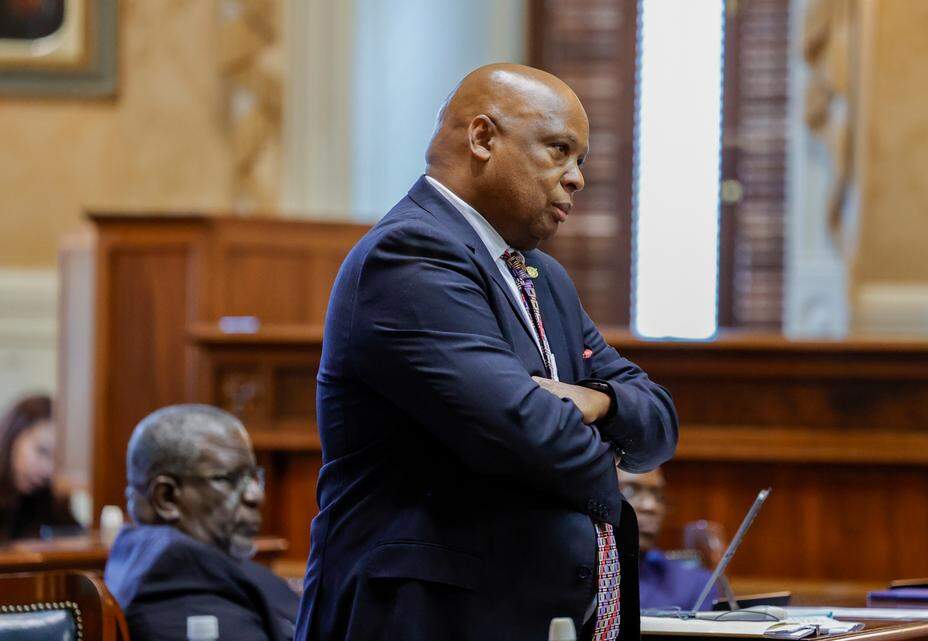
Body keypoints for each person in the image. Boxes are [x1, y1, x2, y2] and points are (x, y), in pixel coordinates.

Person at [296, 63, 679, 641]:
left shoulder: (542, 277)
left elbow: (659, 420)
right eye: (559, 150)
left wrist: (596, 402)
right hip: (424, 620)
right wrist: (602, 440)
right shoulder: (409, 256)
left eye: (581, 161)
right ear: (482, 138)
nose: (576, 178)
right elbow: (530, 435)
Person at [103, 405, 299, 641]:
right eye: (229, 479)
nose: (256, 495)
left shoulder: (197, 561)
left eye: (253, 477)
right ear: (166, 497)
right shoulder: (175, 576)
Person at [617, 467, 717, 611]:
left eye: (659, 496)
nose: (651, 506)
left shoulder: (694, 585)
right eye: (630, 491)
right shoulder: (576, 576)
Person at [0, 394, 78, 543]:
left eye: (58, 460)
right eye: (42, 450)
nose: (48, 470)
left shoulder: (48, 500)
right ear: (13, 435)